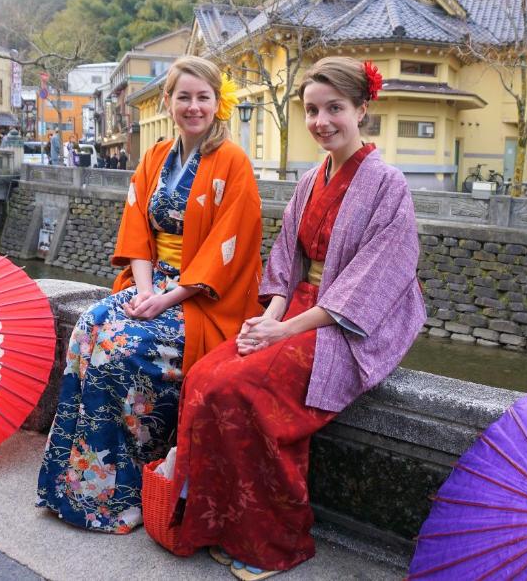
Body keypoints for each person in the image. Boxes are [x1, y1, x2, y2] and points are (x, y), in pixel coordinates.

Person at [169, 57, 425, 578]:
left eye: (335, 108)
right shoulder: (311, 180)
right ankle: (219, 522)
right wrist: (271, 320)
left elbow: (373, 281)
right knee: (204, 377)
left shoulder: (388, 183)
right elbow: (286, 261)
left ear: (361, 110)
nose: (322, 121)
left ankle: (273, 543)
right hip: (301, 309)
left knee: (245, 389)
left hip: (349, 323)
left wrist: (282, 331)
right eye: (312, 110)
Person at [37, 56, 264, 535]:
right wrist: (144, 293)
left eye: (204, 97)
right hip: (153, 280)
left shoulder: (233, 162)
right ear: (169, 101)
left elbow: (232, 246)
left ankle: (128, 487)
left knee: (120, 350)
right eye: (184, 96)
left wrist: (165, 299)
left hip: (202, 295)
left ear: (217, 103)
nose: (194, 106)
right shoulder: (155, 156)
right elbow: (137, 226)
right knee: (86, 332)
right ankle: (74, 486)